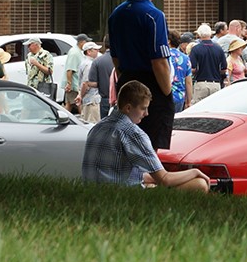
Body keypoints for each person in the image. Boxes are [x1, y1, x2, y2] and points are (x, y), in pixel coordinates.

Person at [81, 80, 211, 191]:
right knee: (199, 184)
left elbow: (114, 172)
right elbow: (165, 179)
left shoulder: (98, 127)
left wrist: (152, 179)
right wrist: (195, 172)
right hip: (121, 196)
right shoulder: (132, 133)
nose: (147, 113)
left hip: (93, 192)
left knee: (150, 181)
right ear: (128, 108)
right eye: (143, 108)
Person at [107, 0, 175, 150]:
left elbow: (115, 56)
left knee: (127, 143)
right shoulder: (154, 16)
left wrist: (126, 81)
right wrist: (167, 94)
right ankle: (147, 180)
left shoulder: (116, 14)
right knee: (149, 148)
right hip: (152, 84)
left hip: (126, 82)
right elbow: (159, 62)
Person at [189, 23, 227, 103]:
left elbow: (193, 68)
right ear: (211, 34)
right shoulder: (218, 48)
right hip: (216, 84)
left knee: (198, 110)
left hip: (201, 83)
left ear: (199, 34)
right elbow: (223, 68)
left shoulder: (195, 49)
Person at [83, 36, 114, 118]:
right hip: (121, 99)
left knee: (105, 126)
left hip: (105, 99)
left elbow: (92, 83)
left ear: (104, 44)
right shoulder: (122, 59)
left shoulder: (97, 61)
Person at [63, 34, 88, 112]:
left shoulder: (77, 51)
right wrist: (69, 83)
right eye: (86, 42)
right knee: (78, 103)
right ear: (81, 42)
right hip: (73, 84)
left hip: (75, 83)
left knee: (70, 104)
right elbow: (70, 69)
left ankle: (64, 118)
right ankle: (83, 120)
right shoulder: (75, 53)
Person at [79, 42, 103, 121]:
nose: (97, 51)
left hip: (89, 100)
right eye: (95, 49)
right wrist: (81, 96)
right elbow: (86, 83)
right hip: (91, 101)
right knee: (92, 123)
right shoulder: (89, 65)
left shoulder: (85, 62)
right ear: (88, 51)